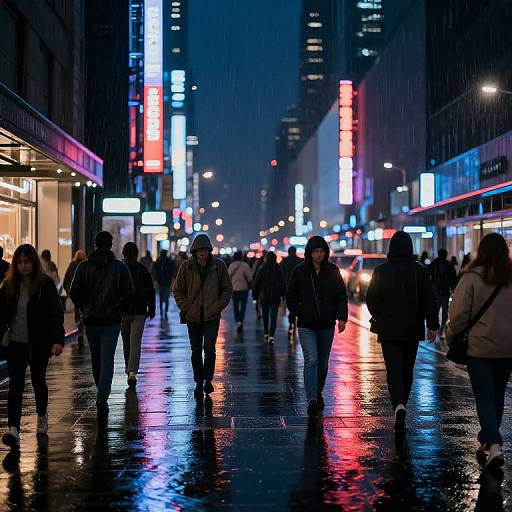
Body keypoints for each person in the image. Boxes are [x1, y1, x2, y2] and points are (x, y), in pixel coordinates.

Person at [447, 233, 512, 469]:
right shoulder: (509, 278)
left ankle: (494, 444)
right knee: (497, 395)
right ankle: (487, 439)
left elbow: (459, 314)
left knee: (484, 396)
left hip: (480, 347)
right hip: (507, 348)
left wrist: (451, 336)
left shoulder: (472, 277)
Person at [366, 231, 439, 432]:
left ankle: (397, 404)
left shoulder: (381, 271)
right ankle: (403, 405)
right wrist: (432, 325)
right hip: (412, 328)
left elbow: (371, 298)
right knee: (407, 368)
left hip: (388, 329)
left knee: (394, 368)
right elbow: (430, 300)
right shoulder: (420, 271)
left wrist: (378, 315)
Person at [0, 244, 64, 449]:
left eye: (26, 262)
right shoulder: (9, 286)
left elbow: (55, 313)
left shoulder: (45, 285)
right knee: (15, 384)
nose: (23, 266)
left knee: (38, 381)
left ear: (33, 263)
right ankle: (13, 429)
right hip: (16, 343)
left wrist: (57, 340)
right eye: (19, 262)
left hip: (38, 343)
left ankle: (42, 414)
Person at [69, 231, 134, 419]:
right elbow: (129, 292)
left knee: (96, 359)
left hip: (92, 320)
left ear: (95, 245)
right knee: (107, 359)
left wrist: (84, 307)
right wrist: (120, 307)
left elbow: (74, 291)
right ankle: (102, 397)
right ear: (111, 244)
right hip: (112, 320)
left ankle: (101, 394)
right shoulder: (119, 267)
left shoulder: (83, 267)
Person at [286, 236, 348, 418]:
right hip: (306, 325)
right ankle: (311, 398)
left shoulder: (333, 271)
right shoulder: (300, 271)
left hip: (326, 325)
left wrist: (342, 317)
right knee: (311, 360)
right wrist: (300, 311)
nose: (319, 255)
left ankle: (318, 391)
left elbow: (341, 296)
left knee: (323, 363)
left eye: (322, 251)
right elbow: (290, 296)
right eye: (315, 251)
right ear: (309, 253)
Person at [173, 234, 233, 399]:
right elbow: (178, 289)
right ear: (195, 251)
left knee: (210, 349)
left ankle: (208, 379)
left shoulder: (218, 266)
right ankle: (198, 382)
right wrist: (186, 307)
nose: (202, 253)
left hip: (211, 316)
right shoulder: (186, 267)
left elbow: (227, 288)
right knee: (195, 351)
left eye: (205, 250)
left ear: (209, 250)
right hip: (193, 317)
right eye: (199, 250)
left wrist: (218, 305)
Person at [121, 242, 155, 388]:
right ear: (136, 253)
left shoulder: (119, 268)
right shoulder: (143, 269)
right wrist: (152, 308)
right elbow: (151, 289)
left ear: (124, 253)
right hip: (140, 310)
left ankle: (129, 369)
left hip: (123, 311)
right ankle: (132, 371)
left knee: (126, 341)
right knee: (135, 342)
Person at [253, 252, 286, 344]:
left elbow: (257, 283)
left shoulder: (262, 268)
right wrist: (283, 294)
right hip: (275, 296)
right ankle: (271, 335)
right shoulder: (278, 268)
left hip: (264, 296)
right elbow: (282, 283)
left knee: (265, 315)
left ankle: (266, 333)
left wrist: (255, 295)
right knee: (274, 316)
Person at [428, 248, 457, 339]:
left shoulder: (433, 264)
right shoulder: (449, 264)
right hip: (445, 292)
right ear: (446, 255)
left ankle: (434, 328)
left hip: (436, 292)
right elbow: (453, 278)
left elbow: (428, 277)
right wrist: (453, 289)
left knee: (435, 311)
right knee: (445, 312)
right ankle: (441, 330)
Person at [63, 250, 87, 346]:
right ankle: (81, 330)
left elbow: (66, 280)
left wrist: (69, 291)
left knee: (78, 313)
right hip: (82, 295)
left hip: (76, 294)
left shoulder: (73, 265)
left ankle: (80, 330)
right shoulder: (85, 265)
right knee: (81, 313)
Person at [280, 246, 303, 336]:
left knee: (290, 306)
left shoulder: (284, 262)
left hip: (288, 288)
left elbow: (281, 276)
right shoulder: (300, 261)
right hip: (299, 288)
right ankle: (296, 323)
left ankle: (291, 323)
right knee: (298, 305)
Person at [228, 251, 252, 330]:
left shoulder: (231, 265)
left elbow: (228, 277)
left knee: (235, 305)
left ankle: (237, 320)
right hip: (244, 288)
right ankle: (241, 320)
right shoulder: (245, 265)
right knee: (243, 305)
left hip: (234, 289)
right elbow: (249, 278)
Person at [153, 249, 176, 319]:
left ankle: (161, 311)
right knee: (166, 298)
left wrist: (156, 279)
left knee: (161, 297)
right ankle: (165, 311)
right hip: (167, 282)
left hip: (161, 283)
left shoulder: (158, 260)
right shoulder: (169, 261)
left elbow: (155, 270)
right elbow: (172, 270)